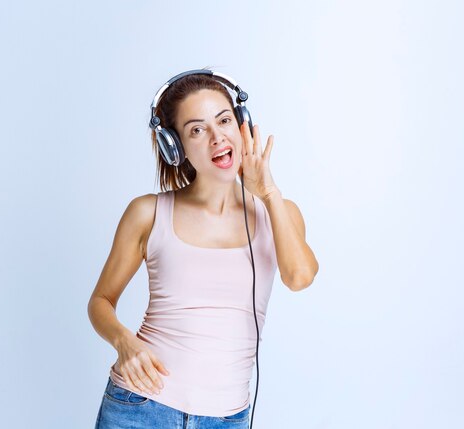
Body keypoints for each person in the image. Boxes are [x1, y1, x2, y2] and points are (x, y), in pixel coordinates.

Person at [88, 69, 319, 429]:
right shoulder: (148, 212)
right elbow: (100, 301)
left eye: (224, 120)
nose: (216, 137)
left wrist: (269, 193)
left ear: (242, 125)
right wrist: (124, 343)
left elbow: (300, 277)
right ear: (175, 147)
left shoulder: (279, 212)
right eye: (197, 129)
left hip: (227, 417)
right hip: (141, 406)